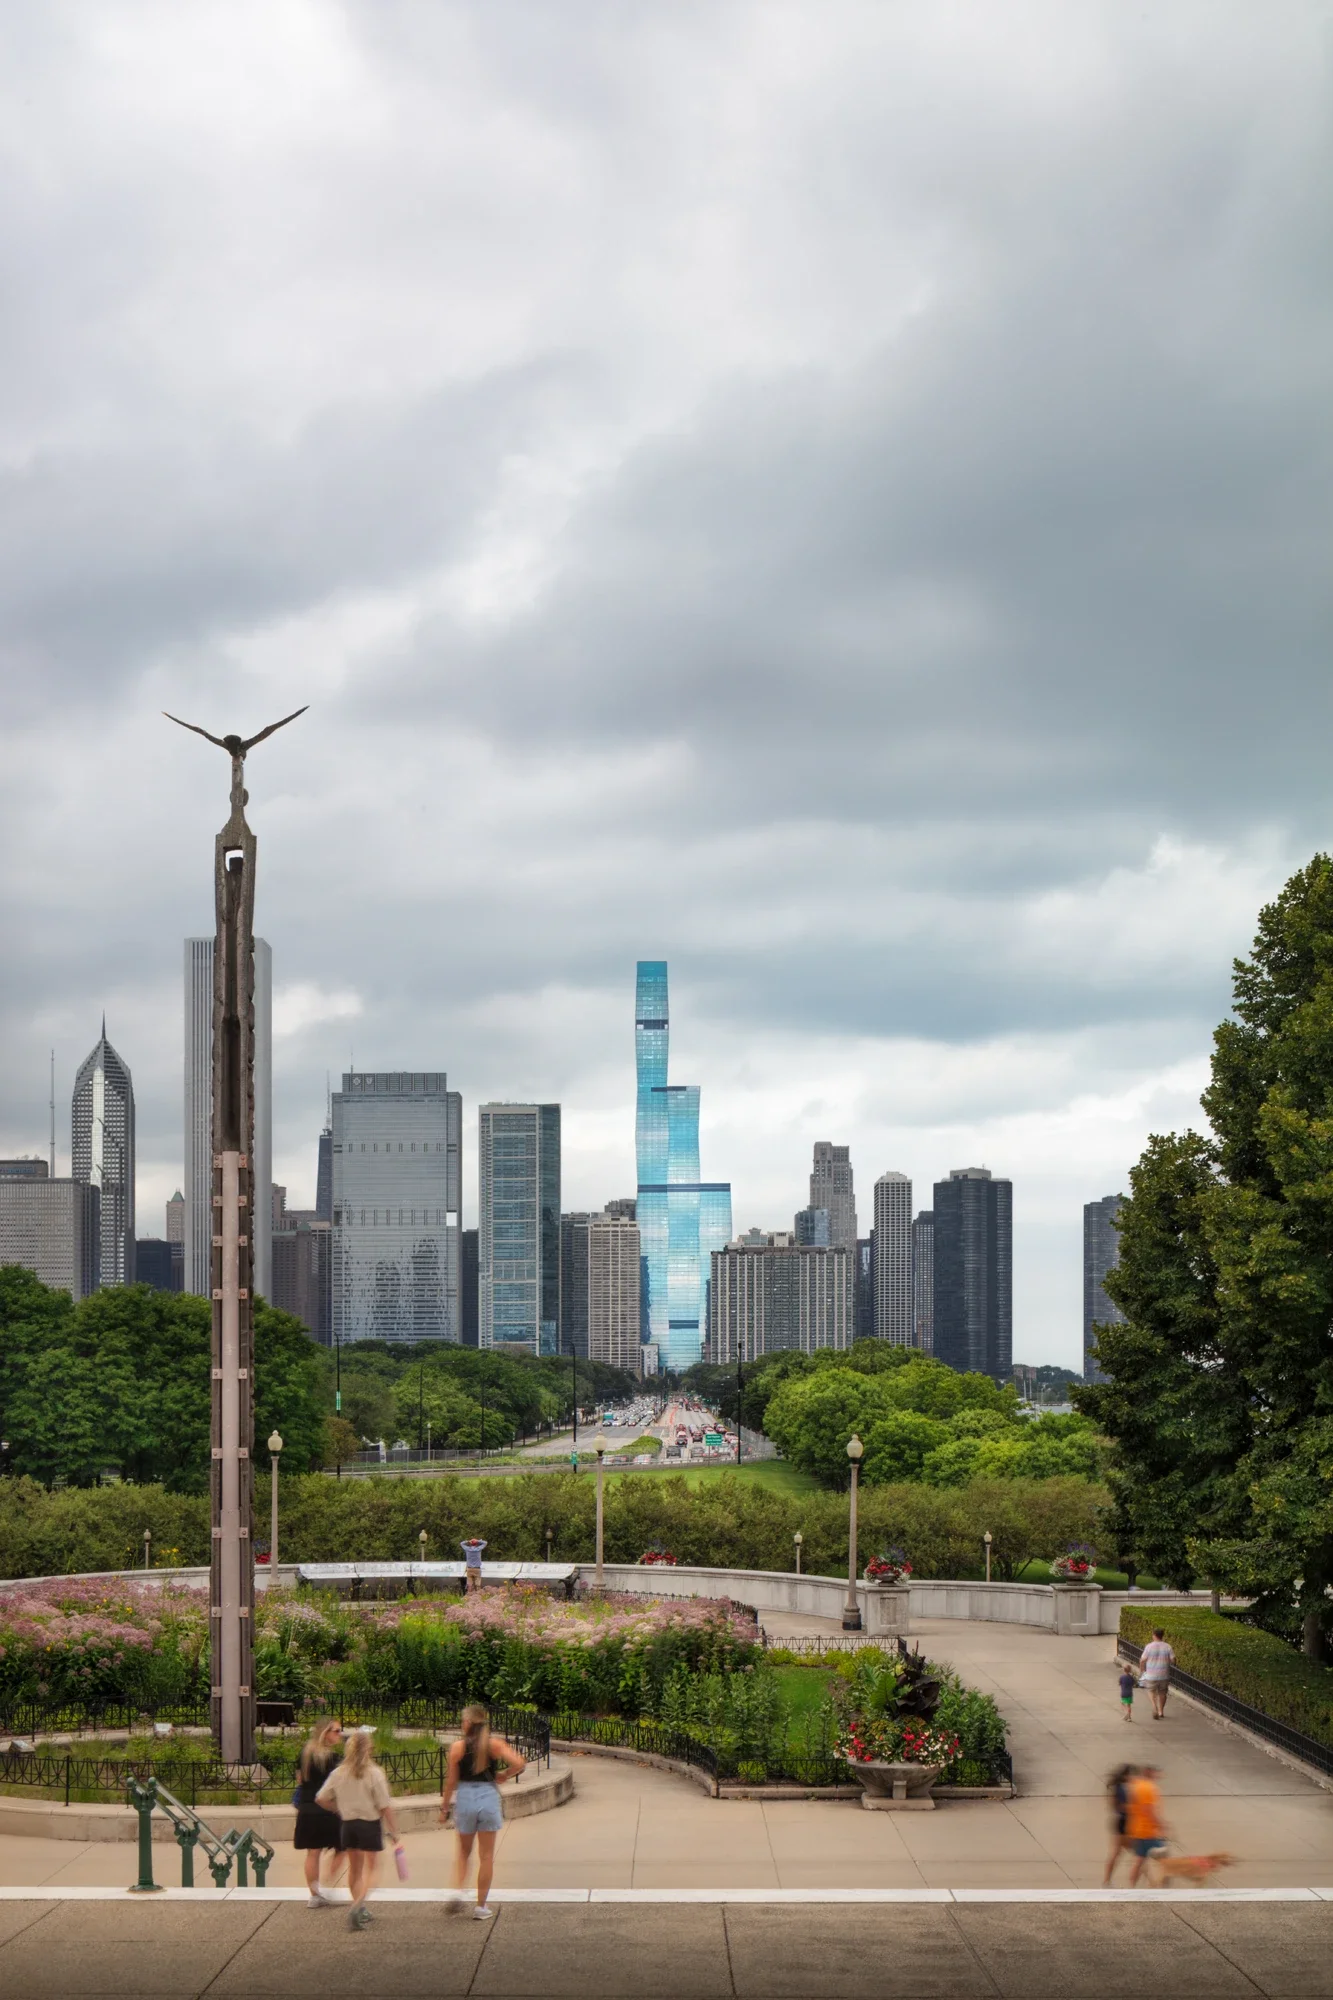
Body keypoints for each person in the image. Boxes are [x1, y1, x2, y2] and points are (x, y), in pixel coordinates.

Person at [440, 1703, 526, 1920]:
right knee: (486, 1856)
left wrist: (444, 1808)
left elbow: (451, 1782)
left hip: (466, 1798)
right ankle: (481, 1907)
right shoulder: (494, 1745)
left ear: (468, 1723)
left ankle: (459, 1893)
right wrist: (505, 1774)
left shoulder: (457, 1748)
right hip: (488, 1797)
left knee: (463, 1852)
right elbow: (519, 1762)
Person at [316, 1725, 402, 1930]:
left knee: (354, 1869)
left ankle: (359, 1906)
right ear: (368, 1749)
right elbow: (384, 1805)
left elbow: (321, 1798)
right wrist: (394, 1832)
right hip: (369, 1823)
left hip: (348, 1824)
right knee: (373, 1868)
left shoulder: (338, 1773)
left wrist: (338, 1808)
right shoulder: (374, 1773)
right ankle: (358, 1904)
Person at [292, 1717, 344, 1907]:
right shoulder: (333, 1759)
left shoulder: (304, 1754)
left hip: (307, 1807)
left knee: (312, 1852)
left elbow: (300, 1779)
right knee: (343, 1846)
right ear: (326, 1733)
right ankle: (329, 1881)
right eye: (336, 1731)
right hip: (328, 1808)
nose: (340, 1734)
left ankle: (314, 1895)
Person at [1125, 1762, 1169, 1885]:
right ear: (1150, 1772)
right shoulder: (1148, 1788)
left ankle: (1132, 1887)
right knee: (1165, 1861)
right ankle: (1164, 1888)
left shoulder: (1137, 1785)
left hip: (1137, 1829)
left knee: (1140, 1860)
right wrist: (1162, 1826)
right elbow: (1149, 1811)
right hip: (1148, 1831)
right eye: (1157, 1772)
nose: (1159, 1775)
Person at [1102, 1763, 1135, 1885]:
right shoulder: (1122, 1789)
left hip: (1120, 1822)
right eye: (1133, 1775)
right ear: (1126, 1775)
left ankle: (1107, 1880)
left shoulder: (1119, 1788)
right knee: (1139, 1854)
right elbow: (1120, 1806)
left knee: (1117, 1853)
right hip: (1124, 1823)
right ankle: (1148, 1882)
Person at [1138, 1628, 1176, 1720]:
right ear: (1162, 1636)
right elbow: (1173, 1660)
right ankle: (1161, 1711)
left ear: (1154, 1635)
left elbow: (1142, 1660)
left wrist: (1142, 1671)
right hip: (1164, 1674)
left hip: (1151, 1674)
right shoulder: (1168, 1646)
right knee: (1162, 1693)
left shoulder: (1149, 1647)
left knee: (1151, 1691)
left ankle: (1154, 1706)